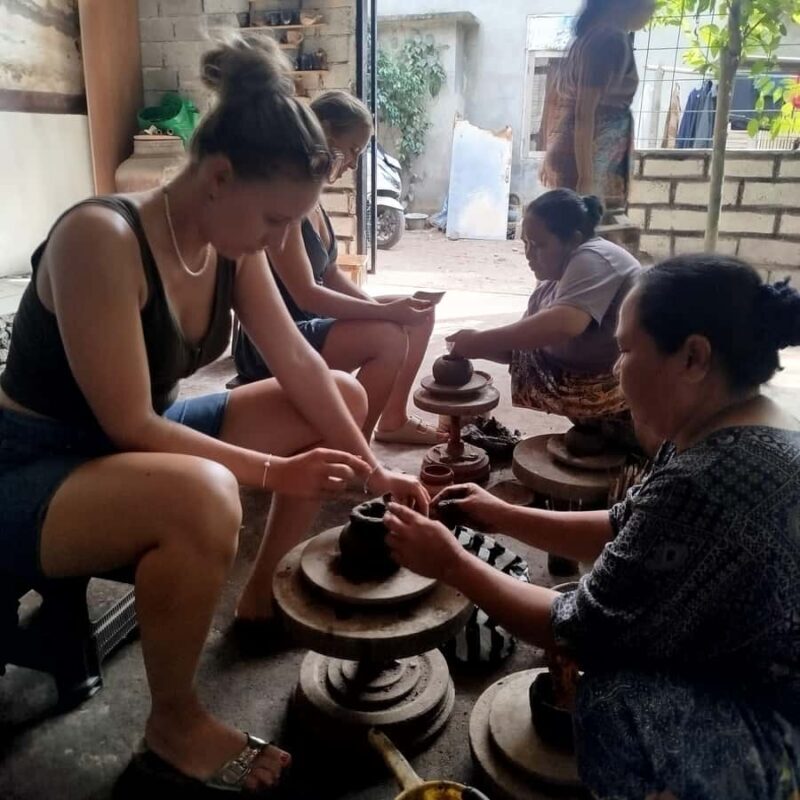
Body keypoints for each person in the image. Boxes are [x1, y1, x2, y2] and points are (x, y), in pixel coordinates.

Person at [0, 36, 426, 794]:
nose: (278, 240)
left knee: (341, 399)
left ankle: (260, 598)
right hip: (33, 466)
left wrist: (372, 469)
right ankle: (173, 724)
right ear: (219, 176)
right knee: (205, 495)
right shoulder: (100, 238)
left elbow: (295, 359)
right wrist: (272, 470)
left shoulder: (232, 243)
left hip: (125, 448)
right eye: (273, 220)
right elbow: (132, 424)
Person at [384, 254, 800, 798]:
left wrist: (450, 562)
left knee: (611, 696)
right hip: (753, 660)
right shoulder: (743, 423)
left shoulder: (707, 478)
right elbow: (629, 524)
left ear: (693, 357)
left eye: (625, 350)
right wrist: (500, 513)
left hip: (775, 720)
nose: (613, 368)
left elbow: (574, 627)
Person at [233, 90, 442, 445]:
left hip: (309, 323)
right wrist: (386, 315)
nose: (353, 163)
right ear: (324, 132)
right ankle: (350, 450)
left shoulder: (312, 196)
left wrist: (385, 309)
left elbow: (330, 275)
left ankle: (392, 421)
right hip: (274, 338)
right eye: (353, 150)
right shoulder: (285, 197)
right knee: (388, 338)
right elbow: (308, 294)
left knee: (419, 314)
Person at [447, 189, 641, 447]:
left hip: (630, 383)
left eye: (538, 245)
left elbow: (565, 324)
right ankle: (598, 429)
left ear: (573, 240)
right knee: (525, 350)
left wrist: (479, 340)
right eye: (525, 243)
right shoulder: (551, 281)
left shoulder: (593, 257)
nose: (528, 254)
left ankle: (622, 430)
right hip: (591, 372)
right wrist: (469, 347)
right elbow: (518, 347)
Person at [540, 0, 656, 211]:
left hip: (577, 152)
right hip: (591, 157)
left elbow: (554, 98)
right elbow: (584, 114)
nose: (652, 10)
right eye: (648, 4)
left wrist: (549, 153)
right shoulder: (609, 40)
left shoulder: (587, 39)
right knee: (589, 227)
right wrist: (586, 178)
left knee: (576, 230)